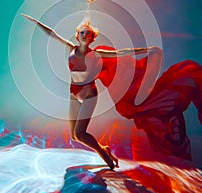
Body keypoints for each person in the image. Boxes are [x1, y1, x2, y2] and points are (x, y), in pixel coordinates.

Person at [22, 14, 154, 169]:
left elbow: (122, 52)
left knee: (81, 133)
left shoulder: (96, 54)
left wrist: (145, 50)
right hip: (73, 92)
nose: (85, 35)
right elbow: (52, 34)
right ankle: (104, 149)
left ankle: (104, 155)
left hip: (89, 94)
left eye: (88, 33)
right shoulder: (71, 48)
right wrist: (36, 21)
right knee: (74, 136)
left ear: (92, 38)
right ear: (77, 36)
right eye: (82, 33)